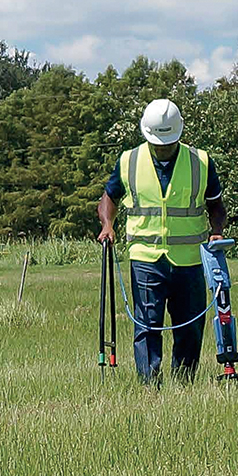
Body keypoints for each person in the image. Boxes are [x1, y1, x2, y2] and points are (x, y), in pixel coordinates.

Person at [97, 99, 227, 384]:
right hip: (145, 257)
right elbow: (109, 197)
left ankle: (184, 382)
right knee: (147, 324)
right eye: (158, 143)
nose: (162, 147)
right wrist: (108, 224)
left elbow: (216, 205)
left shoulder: (200, 162)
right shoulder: (129, 160)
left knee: (191, 326)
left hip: (190, 259)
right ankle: (149, 386)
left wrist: (216, 230)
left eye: (168, 142)